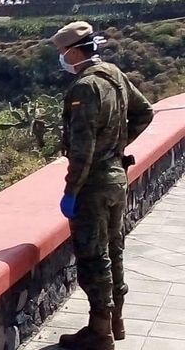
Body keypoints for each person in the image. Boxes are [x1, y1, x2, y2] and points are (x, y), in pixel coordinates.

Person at [51, 21, 154, 350]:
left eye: (63, 53)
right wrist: (117, 146)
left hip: (94, 185)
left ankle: (100, 332)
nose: (62, 59)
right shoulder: (114, 74)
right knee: (115, 250)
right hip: (116, 177)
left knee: (93, 257)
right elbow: (145, 112)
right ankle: (116, 322)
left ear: (76, 51)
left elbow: (81, 151)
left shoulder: (85, 87)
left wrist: (71, 191)